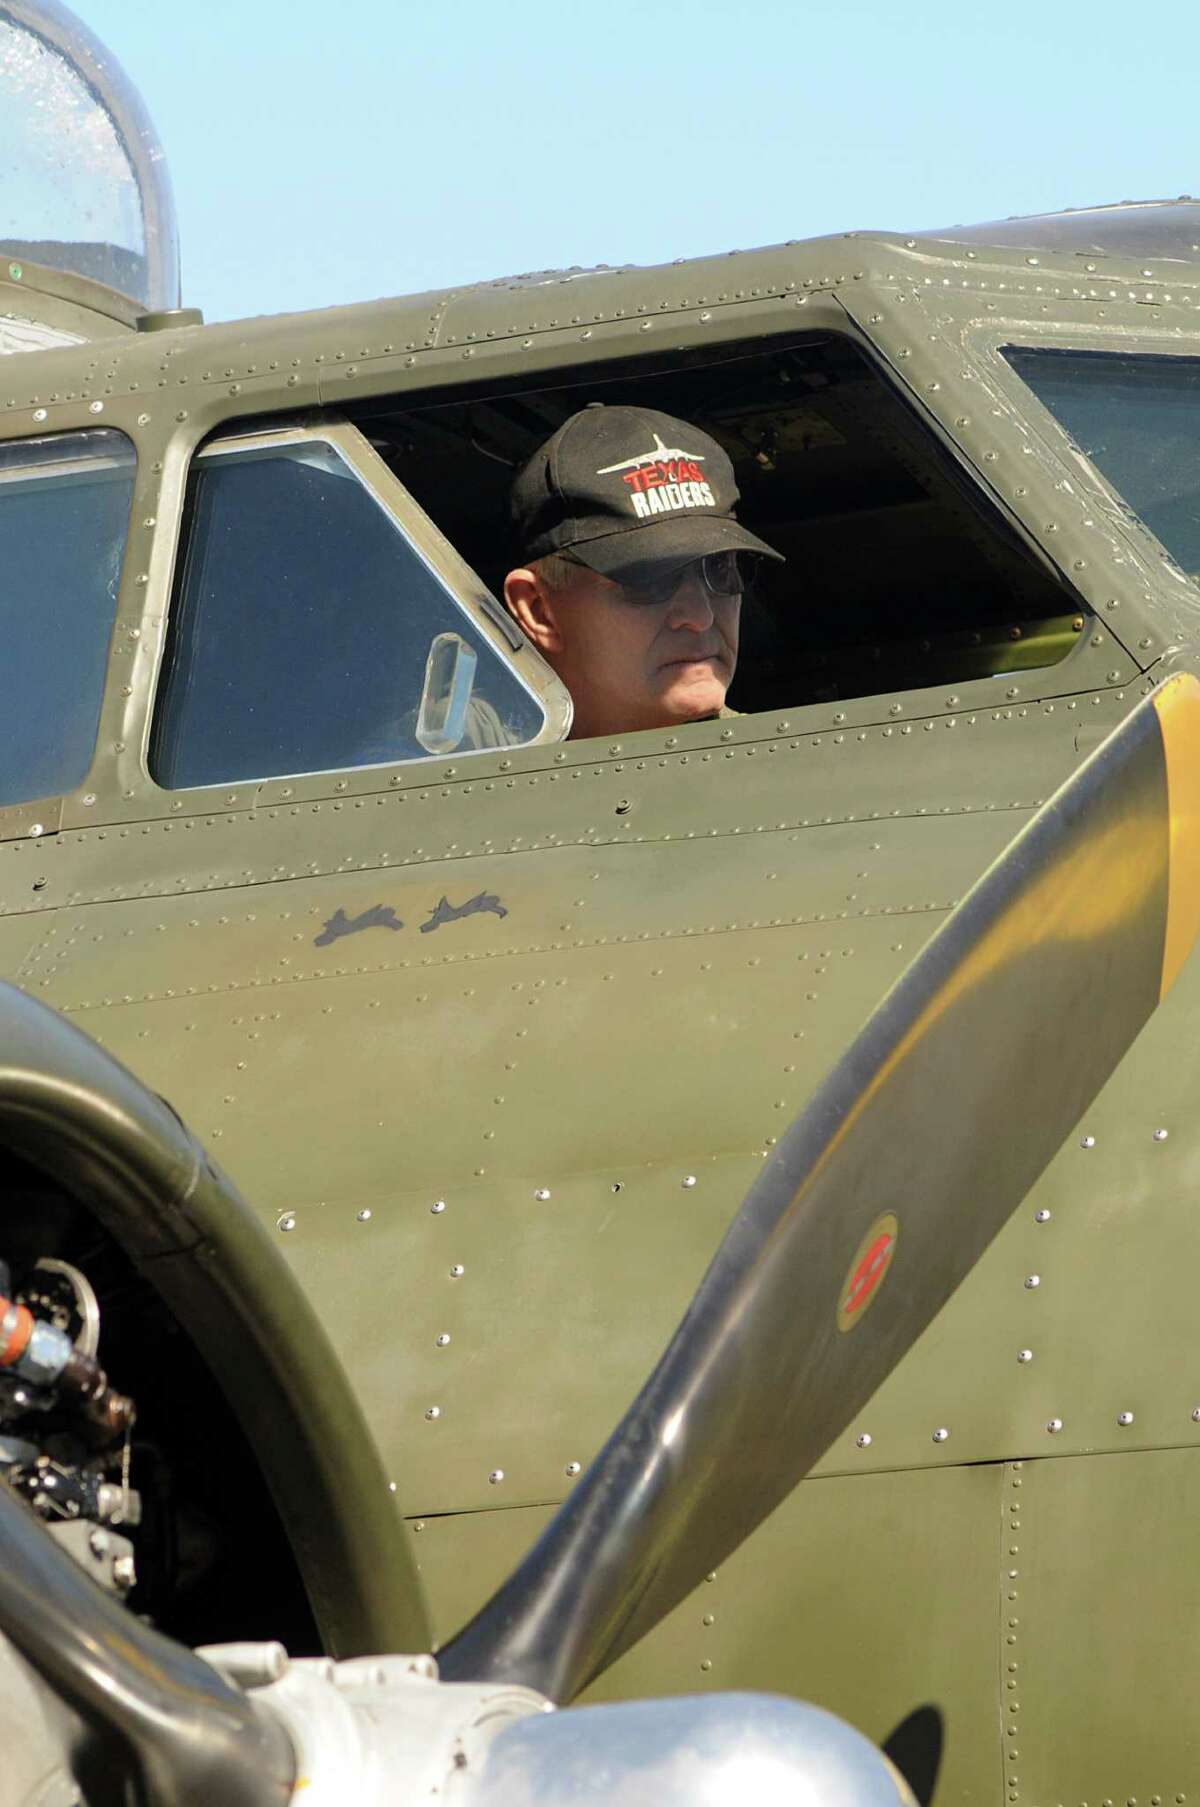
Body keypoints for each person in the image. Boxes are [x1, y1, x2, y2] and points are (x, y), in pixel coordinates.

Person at [503, 404, 784, 741]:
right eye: (651, 579)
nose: (700, 616)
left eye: (720, 569)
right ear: (538, 610)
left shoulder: (791, 769)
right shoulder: (458, 770)